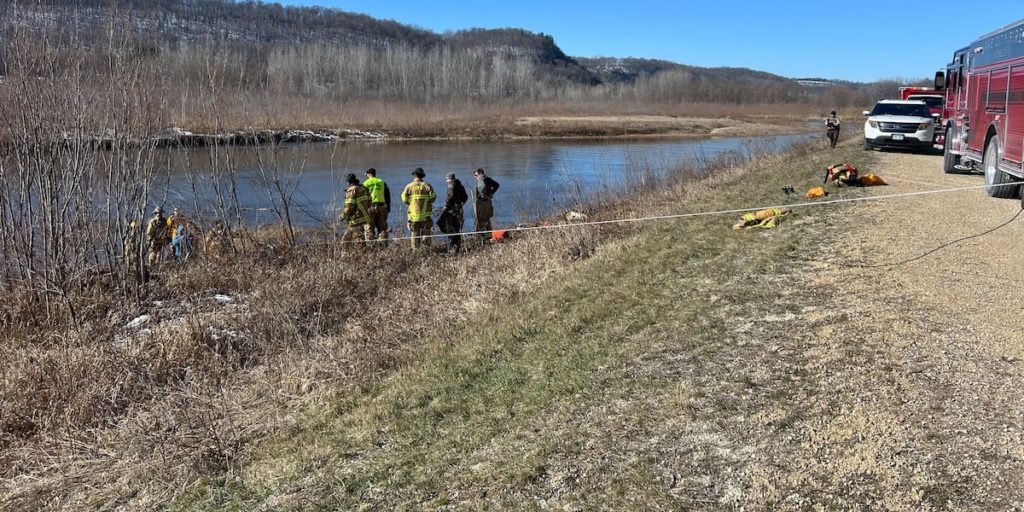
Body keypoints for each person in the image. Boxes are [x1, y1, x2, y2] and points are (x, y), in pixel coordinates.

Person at [400, 167, 437, 251]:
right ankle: (426, 250)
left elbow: (404, 199)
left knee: (414, 233)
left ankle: (415, 251)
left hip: (413, 216)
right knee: (426, 232)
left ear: (414, 175)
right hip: (426, 215)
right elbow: (433, 197)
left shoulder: (409, 186)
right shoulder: (427, 186)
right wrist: (427, 202)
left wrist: (411, 203)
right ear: (422, 176)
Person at [340, 173, 372, 246]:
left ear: (349, 182)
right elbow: (370, 201)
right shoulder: (363, 188)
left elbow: (349, 206)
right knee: (346, 240)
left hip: (355, 220)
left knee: (357, 243)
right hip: (364, 218)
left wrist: (342, 216)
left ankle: (360, 255)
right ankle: (348, 256)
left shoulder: (351, 190)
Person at [440, 172, 469, 252]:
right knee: (457, 227)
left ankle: (452, 246)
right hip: (459, 209)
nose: (446, 181)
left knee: (448, 226)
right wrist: (460, 204)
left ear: (449, 179)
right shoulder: (460, 185)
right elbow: (466, 197)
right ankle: (457, 247)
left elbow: (450, 196)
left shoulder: (451, 185)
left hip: (452, 210)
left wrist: (447, 205)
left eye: (446, 180)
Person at [363, 168, 391, 242]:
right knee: (382, 227)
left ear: (369, 174)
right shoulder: (381, 182)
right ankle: (383, 245)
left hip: (370, 207)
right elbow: (387, 195)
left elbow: (362, 197)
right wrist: (388, 206)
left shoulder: (365, 183)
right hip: (381, 206)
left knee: (369, 228)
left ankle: (371, 246)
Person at [472, 167, 500, 240]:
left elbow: (482, 186)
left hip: (482, 203)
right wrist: (490, 193)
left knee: (480, 220)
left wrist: (483, 195)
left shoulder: (481, 179)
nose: (475, 177)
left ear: (479, 174)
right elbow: (497, 185)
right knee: (487, 220)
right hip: (488, 202)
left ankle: (481, 239)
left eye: (475, 175)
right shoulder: (488, 178)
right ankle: (488, 236)